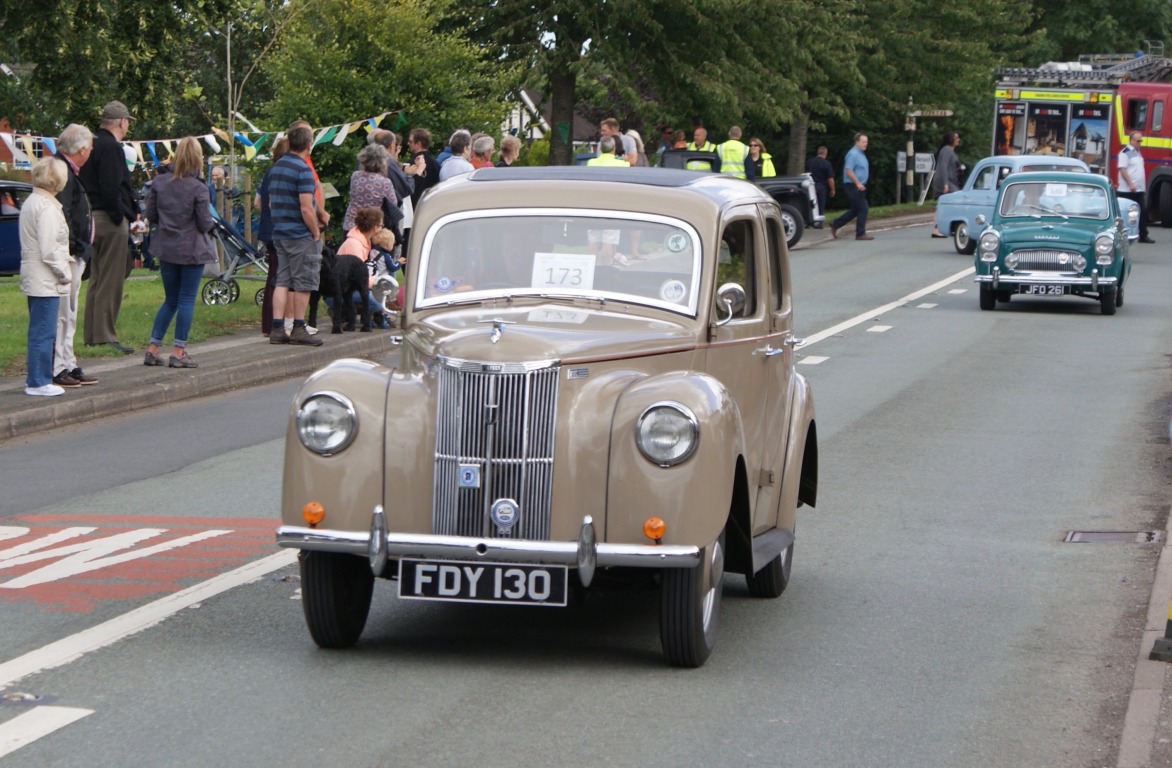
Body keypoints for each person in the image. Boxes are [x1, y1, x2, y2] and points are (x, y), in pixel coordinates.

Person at [141, 137, 216, 368]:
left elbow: (151, 216)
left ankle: (153, 349)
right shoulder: (199, 187)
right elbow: (205, 223)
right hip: (192, 250)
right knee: (185, 300)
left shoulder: (160, 182)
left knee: (170, 300)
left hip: (166, 248)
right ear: (197, 158)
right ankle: (179, 352)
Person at [78, 100, 137, 354]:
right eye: (127, 123)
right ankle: (105, 335)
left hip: (91, 216)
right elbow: (112, 186)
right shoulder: (112, 148)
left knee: (97, 277)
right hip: (109, 219)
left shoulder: (89, 145)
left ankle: (92, 334)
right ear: (122, 122)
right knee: (111, 280)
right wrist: (119, 216)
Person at [20, 158, 73, 397]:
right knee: (44, 330)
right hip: (45, 277)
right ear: (57, 180)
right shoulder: (48, 207)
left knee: (39, 330)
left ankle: (37, 377)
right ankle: (39, 381)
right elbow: (50, 248)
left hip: (34, 274)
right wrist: (64, 272)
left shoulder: (32, 201)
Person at [51, 124, 98, 388]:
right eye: (90, 147)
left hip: (75, 252)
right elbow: (64, 213)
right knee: (63, 312)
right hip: (68, 254)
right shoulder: (62, 171)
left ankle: (68, 362)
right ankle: (59, 366)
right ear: (82, 149)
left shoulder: (68, 170)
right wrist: (74, 246)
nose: (90, 151)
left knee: (69, 311)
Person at [268, 124, 324, 346]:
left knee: (282, 280)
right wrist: (315, 231)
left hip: (280, 232)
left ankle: (277, 328)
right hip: (300, 234)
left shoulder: (276, 168)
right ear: (309, 145)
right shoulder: (303, 170)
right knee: (303, 281)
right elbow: (306, 208)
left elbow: (272, 203)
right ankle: (299, 327)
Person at [254, 136, 289, 337]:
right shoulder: (282, 173)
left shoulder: (268, 173)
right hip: (279, 231)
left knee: (273, 276)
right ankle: (274, 324)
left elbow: (258, 202)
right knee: (279, 278)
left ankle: (269, 324)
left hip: (268, 229)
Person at [344, 143, 402, 244]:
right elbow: (394, 203)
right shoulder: (384, 182)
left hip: (351, 223)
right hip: (372, 227)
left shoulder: (355, 176)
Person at [830, 133, 873, 241]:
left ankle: (835, 224)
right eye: (863, 142)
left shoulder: (861, 154)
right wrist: (858, 183)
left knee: (856, 209)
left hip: (859, 186)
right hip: (853, 186)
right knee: (863, 207)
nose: (865, 144)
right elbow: (848, 170)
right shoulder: (853, 154)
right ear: (857, 142)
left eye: (866, 142)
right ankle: (860, 233)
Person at [1117, 131, 1154, 244]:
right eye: (1138, 141)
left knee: (1142, 212)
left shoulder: (1138, 153)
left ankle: (1143, 235)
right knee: (1124, 213)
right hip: (1127, 190)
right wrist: (1130, 183)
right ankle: (1121, 235)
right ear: (1131, 141)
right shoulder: (1125, 153)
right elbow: (1122, 169)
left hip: (1138, 189)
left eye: (1141, 141)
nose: (1140, 143)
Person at [930, 132, 962, 237]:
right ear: (950, 140)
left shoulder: (949, 151)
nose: (958, 139)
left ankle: (938, 227)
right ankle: (938, 228)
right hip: (945, 181)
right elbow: (943, 166)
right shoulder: (947, 150)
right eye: (956, 138)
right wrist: (945, 183)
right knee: (956, 198)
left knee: (941, 203)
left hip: (949, 181)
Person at [804, 145, 835, 222]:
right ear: (825, 153)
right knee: (820, 206)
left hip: (810, 186)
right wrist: (832, 190)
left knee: (811, 205)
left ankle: (809, 221)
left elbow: (806, 174)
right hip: (821, 187)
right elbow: (830, 179)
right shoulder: (826, 164)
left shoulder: (809, 162)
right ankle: (819, 223)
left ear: (818, 153)